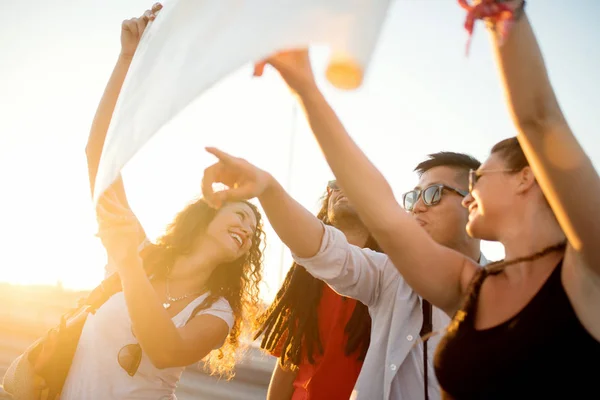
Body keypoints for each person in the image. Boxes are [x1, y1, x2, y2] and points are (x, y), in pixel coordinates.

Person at [243, 0, 600, 398]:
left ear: (526, 177)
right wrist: (305, 89)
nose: (471, 195)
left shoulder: (589, 268)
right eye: (415, 195)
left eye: (479, 177)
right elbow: (382, 214)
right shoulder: (473, 287)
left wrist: (505, 15)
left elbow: (540, 119)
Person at [60, 4, 266, 399]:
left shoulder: (217, 311)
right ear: (207, 212)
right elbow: (98, 154)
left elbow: (165, 350)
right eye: (241, 214)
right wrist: (126, 60)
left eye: (254, 233)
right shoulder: (139, 248)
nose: (247, 230)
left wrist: (128, 263)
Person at [200, 147, 486, 400]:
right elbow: (320, 248)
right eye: (414, 197)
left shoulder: (508, 296)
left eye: (434, 194)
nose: (419, 206)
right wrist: (268, 188)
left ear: (474, 201)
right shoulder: (387, 275)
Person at [256, 180, 379, 400]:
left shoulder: (394, 277)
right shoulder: (305, 281)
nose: (343, 188)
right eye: (336, 185)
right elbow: (289, 361)